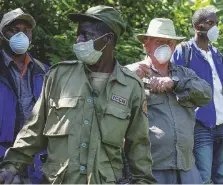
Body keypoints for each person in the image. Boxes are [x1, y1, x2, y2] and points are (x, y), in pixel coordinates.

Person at [0, 5, 156, 184]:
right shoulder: (58, 76)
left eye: (86, 35)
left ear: (108, 39)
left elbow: (139, 146)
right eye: (78, 34)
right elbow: (34, 130)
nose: (78, 40)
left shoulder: (130, 86)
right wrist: (10, 167)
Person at [126, 18, 212, 184]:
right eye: (159, 41)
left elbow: (206, 94)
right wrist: (131, 78)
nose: (165, 46)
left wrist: (175, 82)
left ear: (174, 46)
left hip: (186, 165)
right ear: (146, 44)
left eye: (169, 42)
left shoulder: (185, 74)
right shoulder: (132, 73)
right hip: (151, 167)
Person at [172, 7, 223, 184]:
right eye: (210, 23)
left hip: (222, 123)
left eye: (216, 23)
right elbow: (174, 84)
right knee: (204, 176)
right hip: (199, 124)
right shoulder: (184, 51)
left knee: (221, 176)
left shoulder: (217, 54)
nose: (214, 27)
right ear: (197, 25)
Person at [0, 8, 49, 183]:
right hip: (3, 163)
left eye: (26, 30)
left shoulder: (44, 72)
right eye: (14, 30)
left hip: (37, 166)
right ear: (2, 34)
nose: (21, 36)